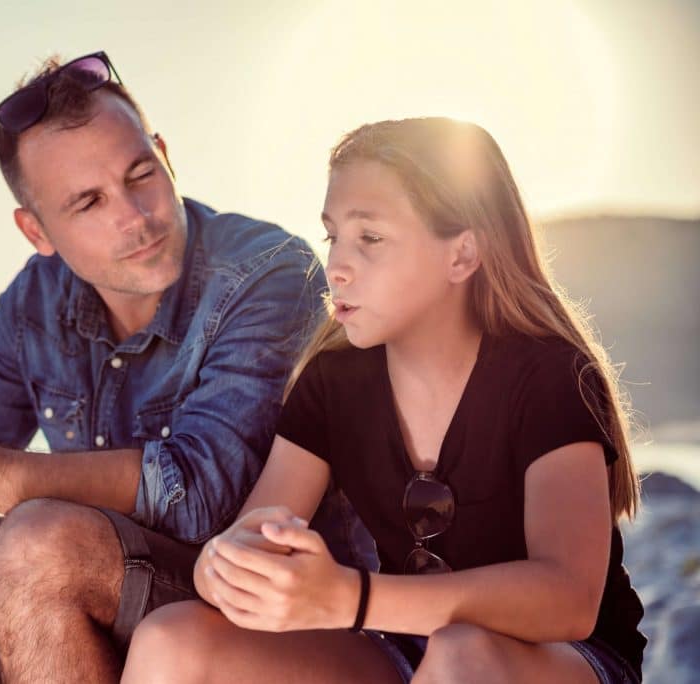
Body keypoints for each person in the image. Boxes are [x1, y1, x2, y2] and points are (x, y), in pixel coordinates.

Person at [0, 51, 335, 684]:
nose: (135, 218)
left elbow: (197, 494)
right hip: (77, 603)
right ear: (36, 231)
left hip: (229, 617)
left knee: (39, 542)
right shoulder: (37, 301)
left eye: (141, 175)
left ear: (165, 154)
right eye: (88, 203)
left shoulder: (267, 273)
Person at [122, 117, 647, 684]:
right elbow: (255, 535)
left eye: (369, 238)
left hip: (567, 660)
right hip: (403, 648)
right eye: (333, 237)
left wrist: (353, 598)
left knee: (460, 656)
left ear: (462, 255)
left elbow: (567, 601)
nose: (338, 268)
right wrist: (224, 567)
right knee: (171, 639)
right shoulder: (333, 379)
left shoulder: (548, 374)